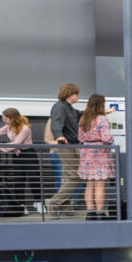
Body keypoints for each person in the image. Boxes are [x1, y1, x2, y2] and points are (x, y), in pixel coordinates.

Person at [45, 83, 81, 217]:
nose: (78, 96)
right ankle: (55, 202)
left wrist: (102, 111)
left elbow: (83, 114)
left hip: (71, 145)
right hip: (67, 146)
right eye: (76, 94)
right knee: (75, 176)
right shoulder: (59, 106)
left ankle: (64, 204)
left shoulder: (70, 109)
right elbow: (56, 123)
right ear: (69, 94)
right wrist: (59, 135)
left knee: (68, 177)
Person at [77, 93, 114, 220]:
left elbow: (80, 137)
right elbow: (106, 137)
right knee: (100, 185)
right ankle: (100, 212)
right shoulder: (102, 118)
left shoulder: (84, 118)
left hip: (86, 151)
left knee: (90, 184)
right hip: (100, 152)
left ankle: (90, 212)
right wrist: (112, 139)